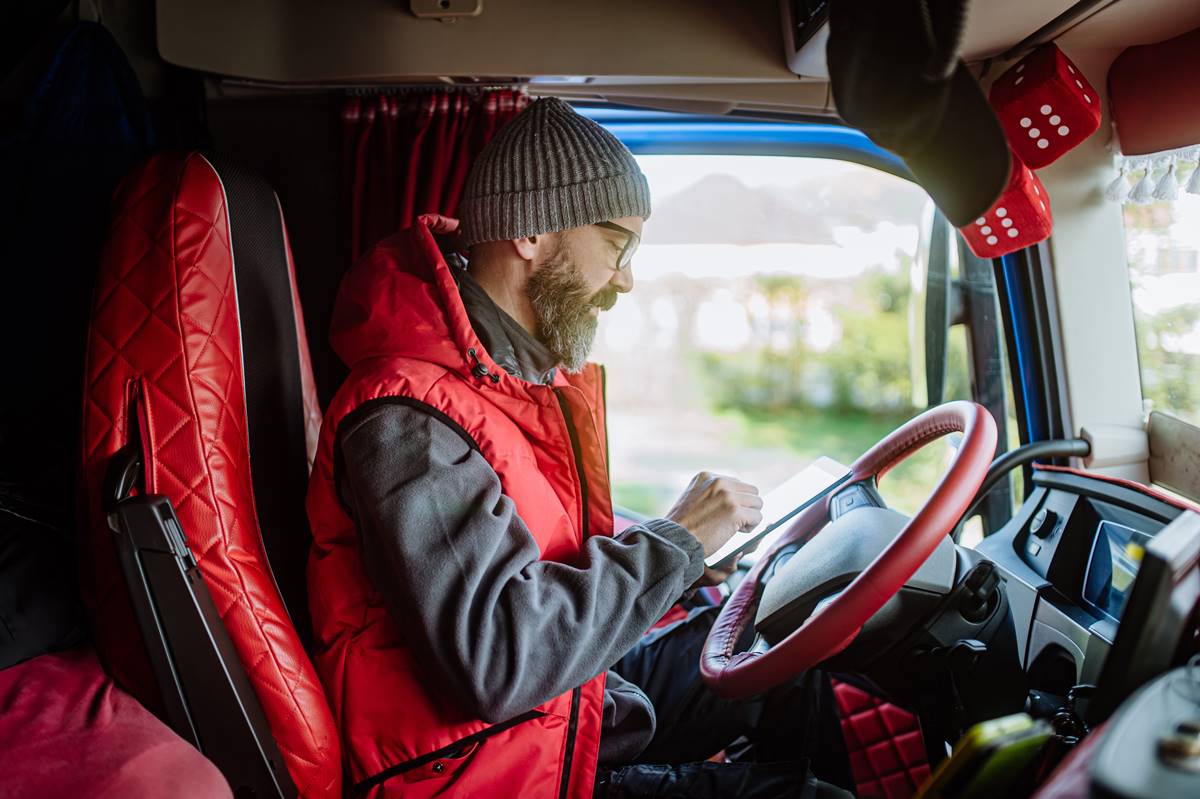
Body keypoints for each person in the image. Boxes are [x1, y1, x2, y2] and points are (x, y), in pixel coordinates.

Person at [306, 97, 852, 798]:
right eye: (618, 245)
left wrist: (689, 558)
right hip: (487, 772)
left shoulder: (509, 383)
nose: (625, 279)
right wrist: (674, 541)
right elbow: (502, 656)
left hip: (562, 712)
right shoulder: (408, 416)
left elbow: (543, 572)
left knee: (780, 629)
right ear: (532, 232)